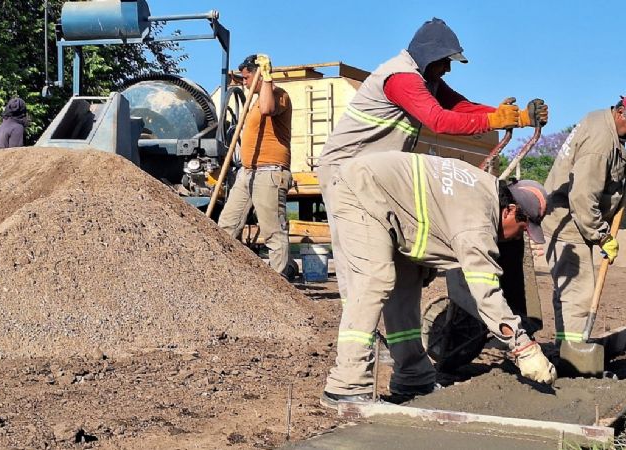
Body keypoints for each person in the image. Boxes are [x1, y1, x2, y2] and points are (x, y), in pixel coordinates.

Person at [316, 17, 548, 306]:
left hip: (375, 178)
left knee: (397, 257)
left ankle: (397, 326)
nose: (448, 68)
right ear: (429, 55)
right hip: (345, 172)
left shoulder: (428, 81)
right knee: (359, 259)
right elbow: (438, 120)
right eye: (445, 61)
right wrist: (493, 120)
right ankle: (358, 325)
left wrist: (519, 118)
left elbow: (461, 107)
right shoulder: (401, 78)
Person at [320, 152, 556, 408]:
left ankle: (413, 377)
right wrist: (523, 347)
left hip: (389, 200)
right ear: (509, 210)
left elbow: (433, 215)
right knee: (373, 280)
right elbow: (485, 292)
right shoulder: (477, 220)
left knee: (406, 285)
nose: (517, 237)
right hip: (361, 190)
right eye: (522, 229)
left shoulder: (483, 191)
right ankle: (346, 385)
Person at [542, 93, 626, 347]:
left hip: (571, 218)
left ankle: (564, 349)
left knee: (568, 290)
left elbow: (600, 172)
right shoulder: (601, 144)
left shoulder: (601, 121)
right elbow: (583, 196)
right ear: (620, 113)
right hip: (570, 221)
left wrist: (624, 164)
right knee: (578, 294)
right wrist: (602, 235)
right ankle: (574, 357)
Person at [217, 54, 294, 278]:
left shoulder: (279, 96)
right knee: (226, 225)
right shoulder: (254, 101)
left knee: (273, 231)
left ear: (259, 75)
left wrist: (267, 77)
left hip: (269, 172)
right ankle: (226, 277)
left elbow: (268, 109)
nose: (244, 82)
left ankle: (280, 283)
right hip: (248, 172)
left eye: (247, 77)